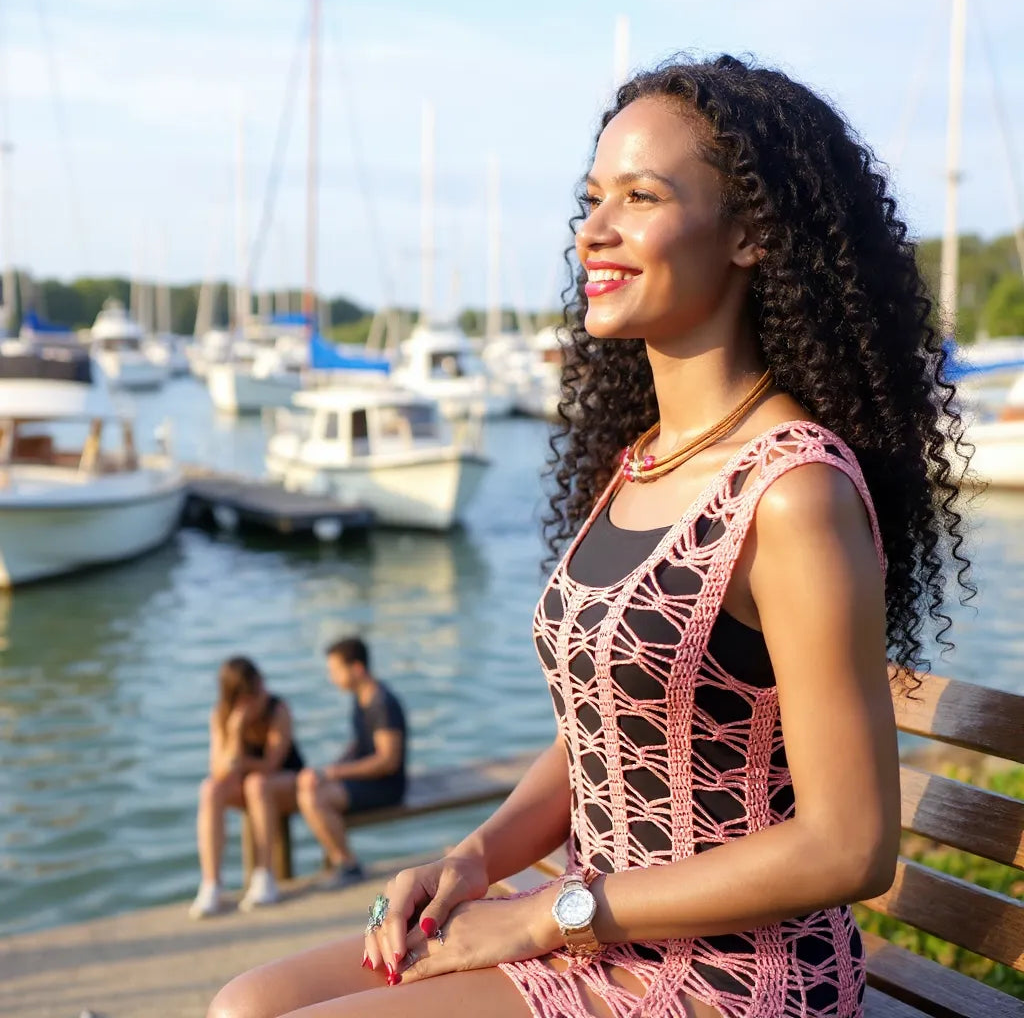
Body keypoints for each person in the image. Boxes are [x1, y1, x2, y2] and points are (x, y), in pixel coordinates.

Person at [207, 54, 973, 1018]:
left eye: (641, 196)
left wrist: (546, 917)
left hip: (733, 975)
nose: (594, 233)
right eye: (591, 199)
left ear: (751, 234)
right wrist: (474, 859)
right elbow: (603, 736)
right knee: (244, 1004)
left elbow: (849, 844)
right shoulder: (644, 460)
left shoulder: (793, 492)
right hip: (598, 935)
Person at [189, 656, 304, 918]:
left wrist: (239, 762)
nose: (261, 693)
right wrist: (235, 732)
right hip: (251, 786)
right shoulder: (222, 715)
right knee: (210, 789)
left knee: (256, 783)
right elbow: (218, 771)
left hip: (285, 784)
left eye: (261, 686)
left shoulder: (278, 709)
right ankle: (211, 884)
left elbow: (272, 764)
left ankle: (265, 876)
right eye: (254, 690)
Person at [296, 637, 407, 889]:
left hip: (387, 787)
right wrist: (326, 772)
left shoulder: (383, 703)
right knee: (310, 788)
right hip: (368, 781)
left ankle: (349, 865)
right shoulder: (362, 697)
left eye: (335, 670)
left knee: (315, 798)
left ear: (357, 669)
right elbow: (359, 745)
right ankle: (342, 863)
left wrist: (333, 772)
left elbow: (387, 761)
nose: (332, 677)